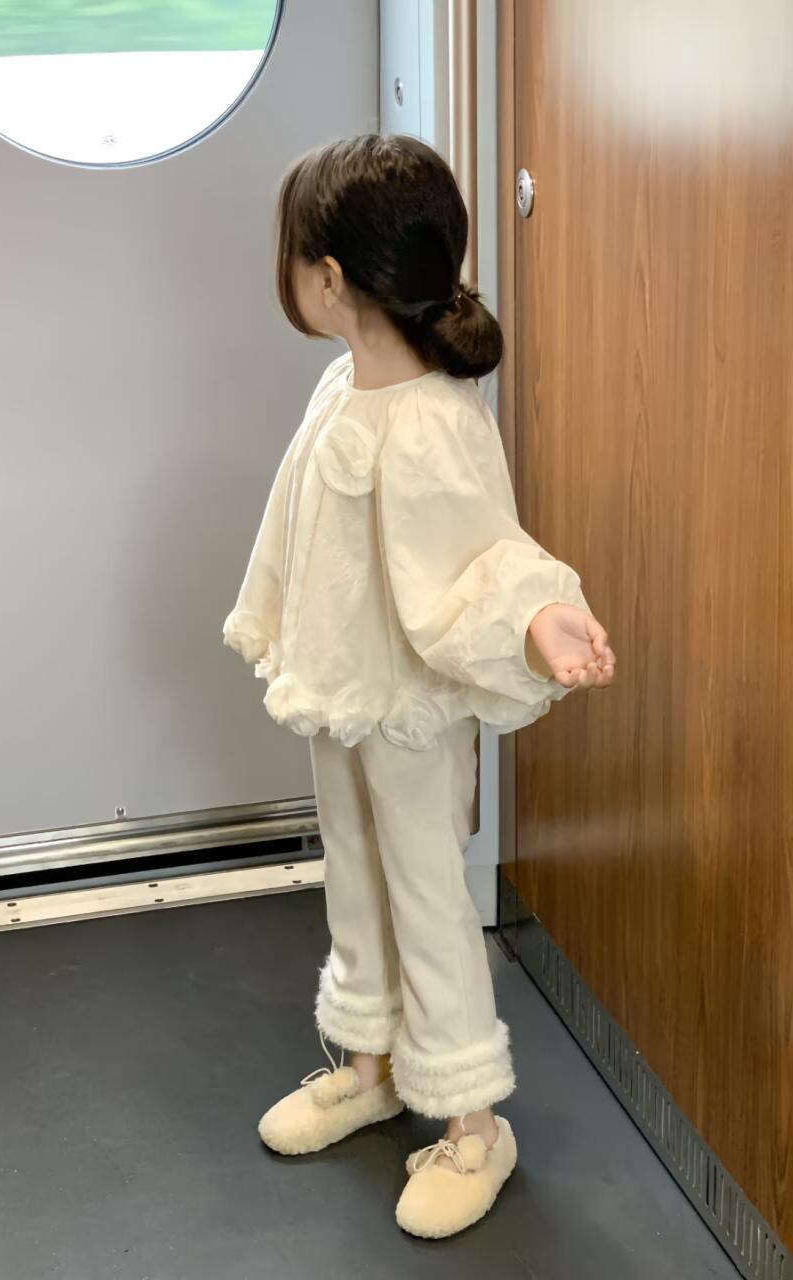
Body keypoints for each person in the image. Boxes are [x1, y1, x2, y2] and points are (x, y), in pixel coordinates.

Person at [222, 133, 616, 1239]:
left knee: (427, 895)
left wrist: (539, 619)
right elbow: (294, 518)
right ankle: (373, 1061)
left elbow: (486, 553)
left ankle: (474, 1123)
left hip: (409, 711)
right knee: (354, 874)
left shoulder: (438, 421)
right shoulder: (338, 390)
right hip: (340, 692)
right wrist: (276, 618)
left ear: (328, 278)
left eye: (291, 255)